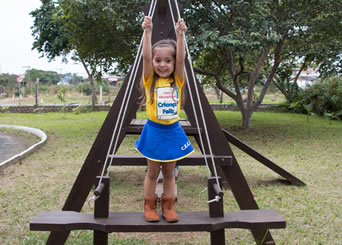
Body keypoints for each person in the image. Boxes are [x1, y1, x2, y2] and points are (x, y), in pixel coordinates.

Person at [135, 16, 194, 223]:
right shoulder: (150, 80)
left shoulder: (177, 80)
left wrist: (180, 35)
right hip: (154, 131)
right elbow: (146, 58)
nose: (162, 64)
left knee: (170, 172)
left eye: (167, 60)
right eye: (158, 60)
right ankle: (149, 205)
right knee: (152, 172)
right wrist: (147, 32)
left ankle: (168, 206)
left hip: (172, 132)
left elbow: (181, 59)